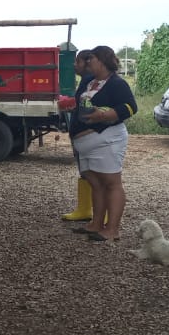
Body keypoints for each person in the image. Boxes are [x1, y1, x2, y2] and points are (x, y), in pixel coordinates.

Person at [70, 46, 138, 242]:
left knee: (111, 183)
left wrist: (104, 115)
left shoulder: (117, 83)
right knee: (96, 184)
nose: (87, 62)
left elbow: (130, 107)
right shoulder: (89, 81)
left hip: (107, 140)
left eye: (91, 59)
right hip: (86, 142)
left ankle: (113, 229)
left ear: (101, 61)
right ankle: (96, 224)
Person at [61, 49, 96, 222]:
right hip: (81, 136)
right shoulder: (86, 81)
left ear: (87, 63)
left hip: (88, 135)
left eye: (78, 61)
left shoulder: (91, 81)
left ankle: (96, 213)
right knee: (85, 172)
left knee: (94, 174)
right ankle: (85, 209)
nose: (75, 65)